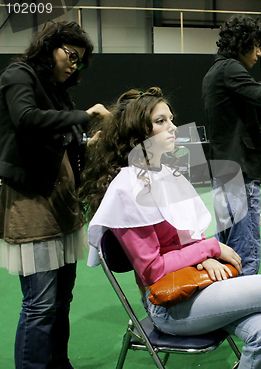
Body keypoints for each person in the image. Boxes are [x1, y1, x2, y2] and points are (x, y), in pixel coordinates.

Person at [82, 87, 261, 369]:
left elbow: (191, 234)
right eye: (161, 121)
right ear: (138, 131)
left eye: (171, 119)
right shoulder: (128, 187)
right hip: (168, 304)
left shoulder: (165, 172)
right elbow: (151, 269)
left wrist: (206, 257)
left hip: (195, 286)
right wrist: (209, 249)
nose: (173, 127)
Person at [0, 21, 109, 368]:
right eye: (70, 55)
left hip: (63, 205)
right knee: (40, 305)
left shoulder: (56, 90)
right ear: (50, 47)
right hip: (32, 203)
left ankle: (58, 364)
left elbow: (60, 139)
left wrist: (86, 142)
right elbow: (26, 118)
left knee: (62, 300)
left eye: (79, 60)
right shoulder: (19, 75)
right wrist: (84, 115)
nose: (73, 64)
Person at [202, 14, 261, 275]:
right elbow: (260, 95)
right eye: (255, 45)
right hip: (239, 172)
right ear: (242, 43)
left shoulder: (214, 73)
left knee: (227, 250)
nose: (259, 53)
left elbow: (243, 109)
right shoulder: (231, 69)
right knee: (245, 251)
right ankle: (245, 310)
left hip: (224, 171)